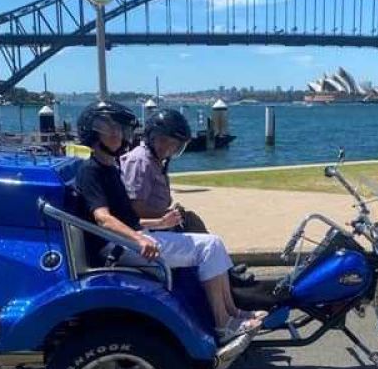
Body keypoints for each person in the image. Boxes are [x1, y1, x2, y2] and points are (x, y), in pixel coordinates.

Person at [74, 101, 264, 345]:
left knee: (212, 243)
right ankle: (222, 323)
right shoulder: (91, 171)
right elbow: (102, 217)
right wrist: (139, 238)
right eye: (107, 128)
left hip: (127, 241)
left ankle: (232, 313)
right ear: (91, 131)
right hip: (117, 247)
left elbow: (128, 217)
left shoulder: (109, 168)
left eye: (119, 129)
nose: (116, 134)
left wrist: (160, 223)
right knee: (208, 247)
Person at [120, 108, 207, 233]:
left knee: (192, 220)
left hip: (159, 226)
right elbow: (137, 208)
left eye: (174, 144)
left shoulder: (155, 161)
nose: (167, 147)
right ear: (151, 137)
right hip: (145, 230)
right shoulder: (140, 161)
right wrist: (170, 215)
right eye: (163, 140)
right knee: (209, 243)